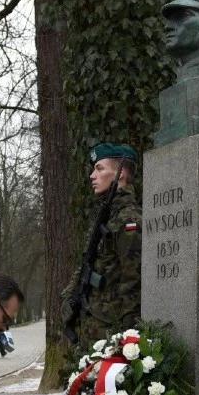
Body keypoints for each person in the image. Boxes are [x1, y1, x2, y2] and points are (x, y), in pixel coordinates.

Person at [60, 143, 142, 346]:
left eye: (100, 168)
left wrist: (126, 340)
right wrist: (70, 296)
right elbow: (87, 261)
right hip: (92, 327)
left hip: (111, 333)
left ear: (121, 173)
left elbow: (133, 282)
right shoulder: (106, 214)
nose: (92, 176)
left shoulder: (128, 218)